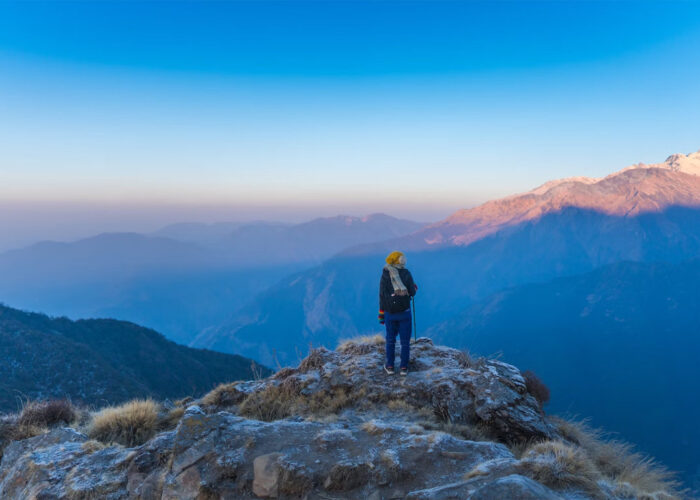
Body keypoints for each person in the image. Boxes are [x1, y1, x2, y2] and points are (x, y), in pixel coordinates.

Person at [378, 251, 417, 376]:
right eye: (401, 258)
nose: (403, 259)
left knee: (390, 339)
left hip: (390, 313)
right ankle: (403, 367)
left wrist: (381, 314)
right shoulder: (406, 273)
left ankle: (389, 366)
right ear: (398, 260)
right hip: (404, 312)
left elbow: (382, 295)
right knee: (405, 341)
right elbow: (412, 292)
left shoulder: (385, 274)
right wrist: (414, 288)